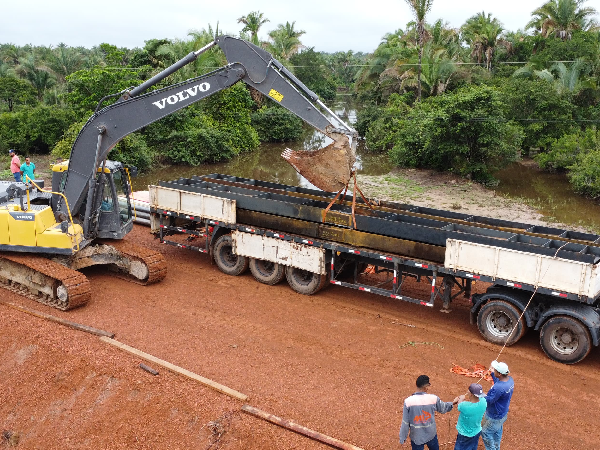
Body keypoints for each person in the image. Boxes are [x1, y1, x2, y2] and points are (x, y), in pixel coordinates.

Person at [399, 375, 457, 450]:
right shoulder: (433, 398)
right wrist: (453, 403)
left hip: (416, 436)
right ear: (426, 387)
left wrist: (402, 438)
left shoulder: (408, 402)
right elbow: (443, 408)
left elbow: (405, 422)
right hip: (431, 434)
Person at [481, 361, 514, 450]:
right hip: (502, 413)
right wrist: (492, 372)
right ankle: (496, 447)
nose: (493, 370)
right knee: (497, 431)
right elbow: (498, 381)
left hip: (494, 415)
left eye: (495, 370)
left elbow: (489, 400)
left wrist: (480, 395)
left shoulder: (498, 388)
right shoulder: (510, 380)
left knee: (485, 433)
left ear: (499, 373)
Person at [453, 383, 487, 450]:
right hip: (476, 431)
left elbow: (459, 405)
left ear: (471, 394)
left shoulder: (464, 406)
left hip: (464, 433)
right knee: (473, 446)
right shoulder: (484, 402)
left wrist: (461, 399)